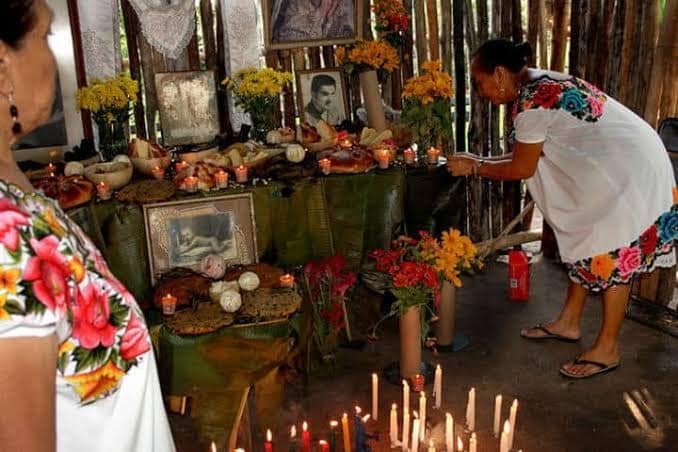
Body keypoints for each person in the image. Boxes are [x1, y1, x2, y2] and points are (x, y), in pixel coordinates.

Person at [0, 1, 175, 450]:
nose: (49, 56)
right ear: (3, 65)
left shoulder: (18, 197)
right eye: (43, 37)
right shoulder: (11, 239)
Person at [447, 39, 676, 379]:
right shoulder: (537, 82)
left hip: (632, 172)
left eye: (481, 84)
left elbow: (521, 169)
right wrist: (476, 161)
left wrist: (475, 166)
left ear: (499, 73)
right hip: (628, 159)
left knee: (611, 249)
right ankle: (569, 322)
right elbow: (528, 157)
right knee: (585, 238)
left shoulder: (532, 104)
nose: (482, 93)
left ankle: (608, 347)